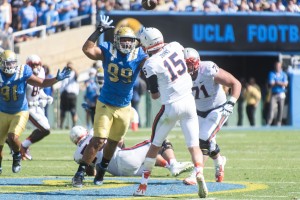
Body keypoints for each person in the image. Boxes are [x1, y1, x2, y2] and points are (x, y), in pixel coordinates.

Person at [71, 15, 148, 188]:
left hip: (125, 106)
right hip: (105, 103)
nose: (127, 43)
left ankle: (103, 169)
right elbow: (87, 49)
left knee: (115, 142)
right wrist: (98, 31)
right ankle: (80, 173)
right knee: (99, 140)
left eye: (130, 40)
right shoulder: (108, 49)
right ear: (116, 40)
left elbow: (155, 62)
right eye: (124, 40)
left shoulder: (139, 55)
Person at [133, 28, 208, 198]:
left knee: (155, 145)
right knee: (194, 145)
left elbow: (154, 95)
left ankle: (143, 186)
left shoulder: (151, 63)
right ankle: (199, 172)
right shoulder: (176, 46)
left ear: (147, 44)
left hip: (171, 106)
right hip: (189, 101)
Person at [0, 50, 70, 174]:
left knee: (12, 136)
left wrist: (56, 79)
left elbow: (41, 83)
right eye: (8, 63)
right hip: (2, 112)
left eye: (12, 63)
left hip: (20, 111)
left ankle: (17, 155)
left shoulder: (22, 72)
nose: (11, 66)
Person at [182, 48, 241, 185]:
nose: (187, 67)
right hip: (198, 111)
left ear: (197, 62)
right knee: (206, 142)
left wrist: (231, 102)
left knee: (203, 139)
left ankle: (196, 173)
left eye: (190, 63)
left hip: (218, 109)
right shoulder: (181, 75)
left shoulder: (207, 69)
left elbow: (235, 83)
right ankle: (219, 161)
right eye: (184, 63)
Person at [70, 126, 193, 177]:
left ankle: (169, 166)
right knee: (159, 141)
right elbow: (118, 140)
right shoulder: (94, 131)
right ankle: (173, 163)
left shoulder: (77, 155)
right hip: (124, 158)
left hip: (118, 173)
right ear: (84, 132)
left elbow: (91, 172)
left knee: (148, 156)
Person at [20, 55, 54, 160]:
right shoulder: (24, 75)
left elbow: (39, 89)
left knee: (45, 129)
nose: (36, 67)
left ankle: (23, 147)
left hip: (36, 107)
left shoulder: (42, 72)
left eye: (38, 64)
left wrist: (45, 97)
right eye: (33, 65)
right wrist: (33, 103)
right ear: (28, 65)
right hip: (27, 107)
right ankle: (22, 147)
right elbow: (21, 94)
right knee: (44, 129)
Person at [267, 61, 288, 126]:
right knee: (271, 109)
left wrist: (277, 82)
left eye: (279, 66)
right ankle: (268, 123)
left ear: (281, 67)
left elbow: (285, 84)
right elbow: (271, 83)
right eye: (276, 66)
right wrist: (280, 83)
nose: (277, 67)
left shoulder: (284, 74)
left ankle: (278, 123)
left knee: (281, 110)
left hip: (281, 94)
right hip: (274, 93)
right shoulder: (271, 73)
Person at [59, 61, 79, 129]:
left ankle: (74, 125)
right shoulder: (64, 73)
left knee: (73, 110)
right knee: (62, 111)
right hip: (64, 93)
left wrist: (73, 68)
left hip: (72, 94)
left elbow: (77, 76)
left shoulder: (74, 73)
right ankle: (61, 125)